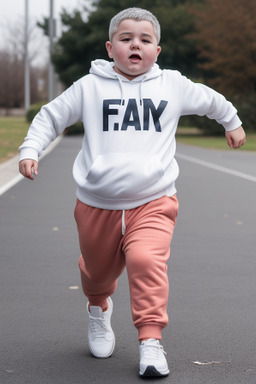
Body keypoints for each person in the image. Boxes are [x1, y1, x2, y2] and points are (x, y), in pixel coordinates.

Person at [19, 7, 246, 378]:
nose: (135, 45)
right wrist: (30, 149)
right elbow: (50, 116)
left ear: (158, 50)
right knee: (97, 273)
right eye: (126, 39)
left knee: (145, 260)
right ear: (111, 48)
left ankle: (151, 341)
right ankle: (98, 308)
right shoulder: (89, 87)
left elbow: (211, 100)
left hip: (153, 200)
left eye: (145, 40)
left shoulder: (172, 85)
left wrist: (232, 121)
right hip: (97, 204)